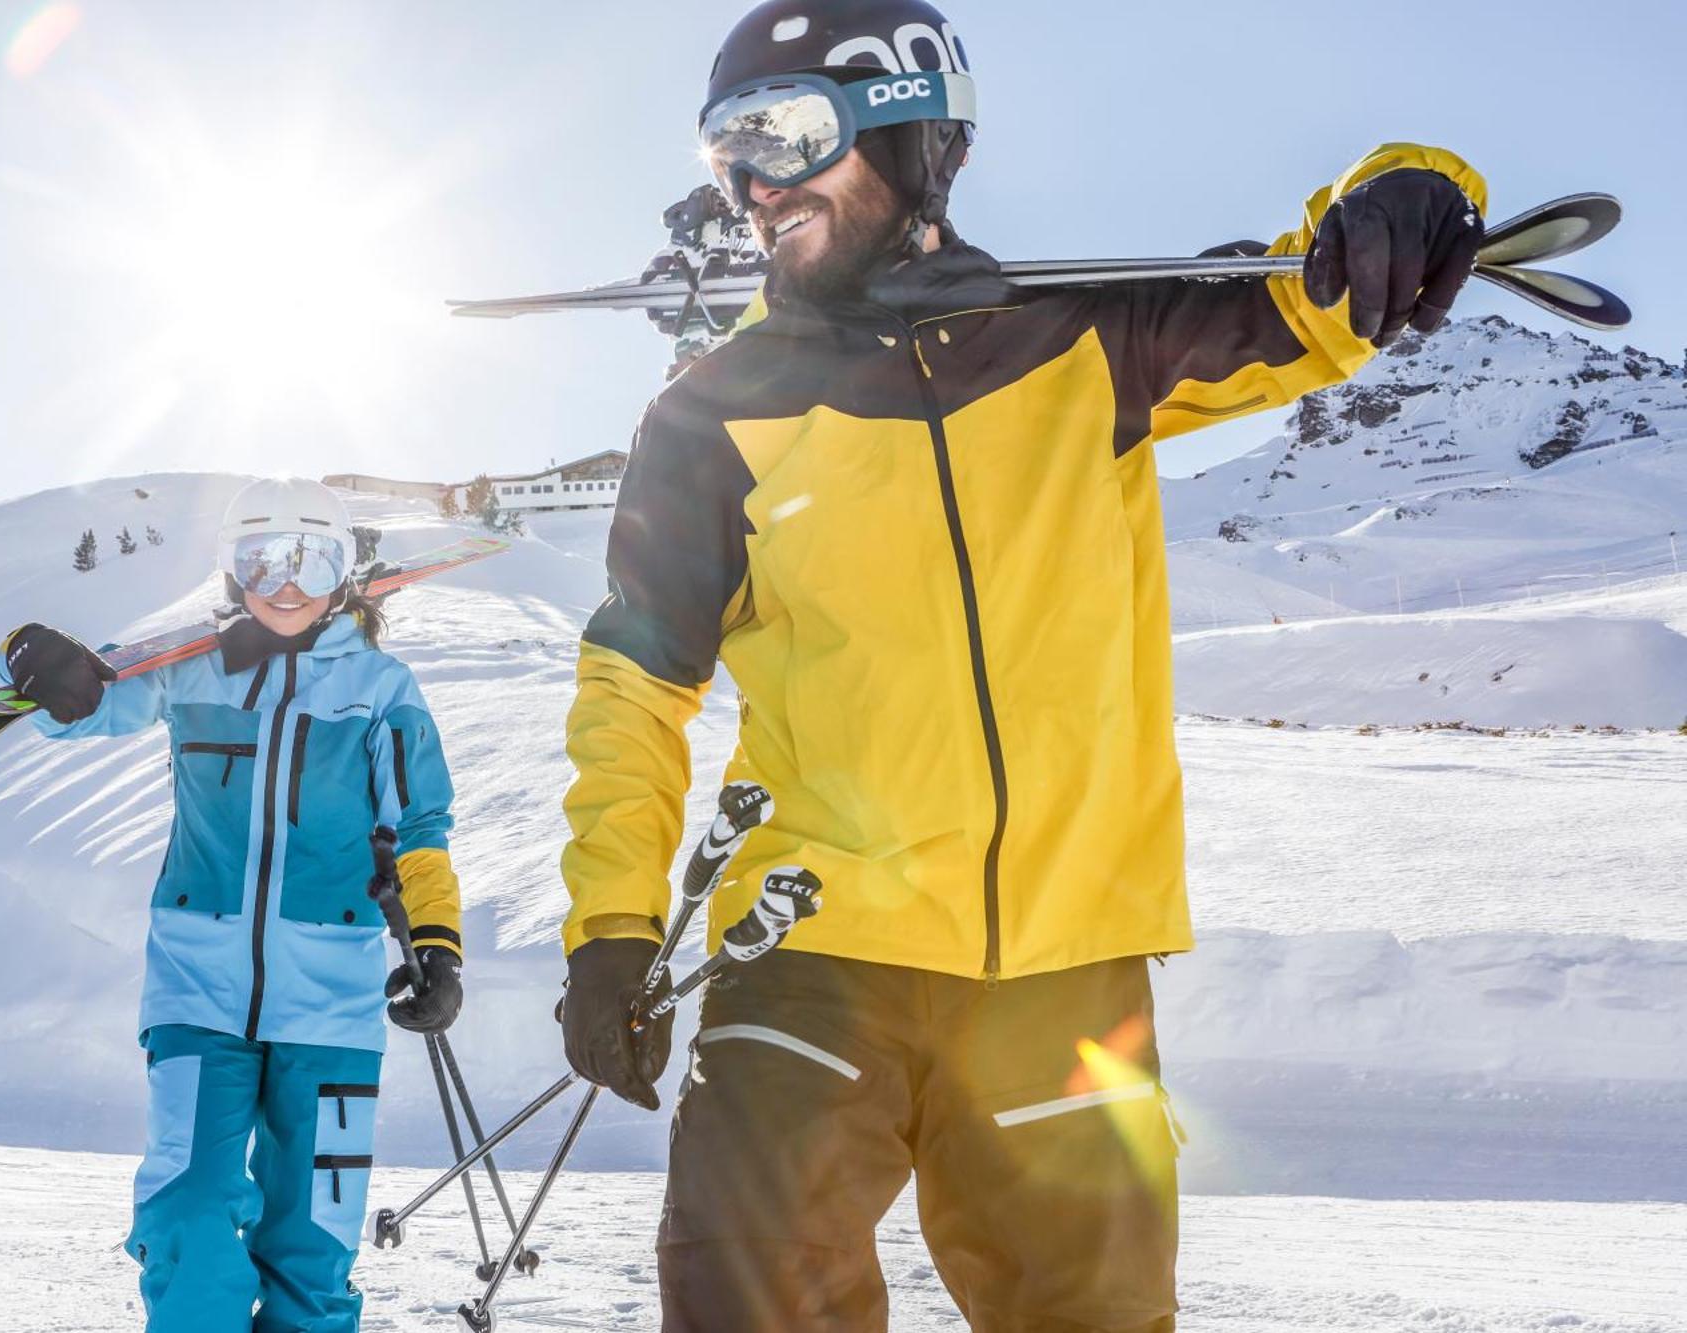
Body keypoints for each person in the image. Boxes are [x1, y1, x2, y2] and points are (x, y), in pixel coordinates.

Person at [554, 2, 1488, 1330]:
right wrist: (610, 932)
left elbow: (1317, 295)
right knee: (746, 1294)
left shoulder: (1089, 340)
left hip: (1065, 969)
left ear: (913, 127)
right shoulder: (715, 413)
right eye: (727, 155)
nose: (754, 186)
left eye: (782, 136)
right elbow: (633, 690)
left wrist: (1410, 194)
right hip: (818, 952)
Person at [0, 477, 464, 1332]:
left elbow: (422, 826)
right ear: (229, 569)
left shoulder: (382, 689)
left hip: (332, 1008)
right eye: (259, 559)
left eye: (310, 558)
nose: (284, 582)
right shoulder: (191, 671)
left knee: (313, 1245)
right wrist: (42, 675)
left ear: (342, 570)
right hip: (196, 990)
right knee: (187, 1215)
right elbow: (90, 707)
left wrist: (434, 945)